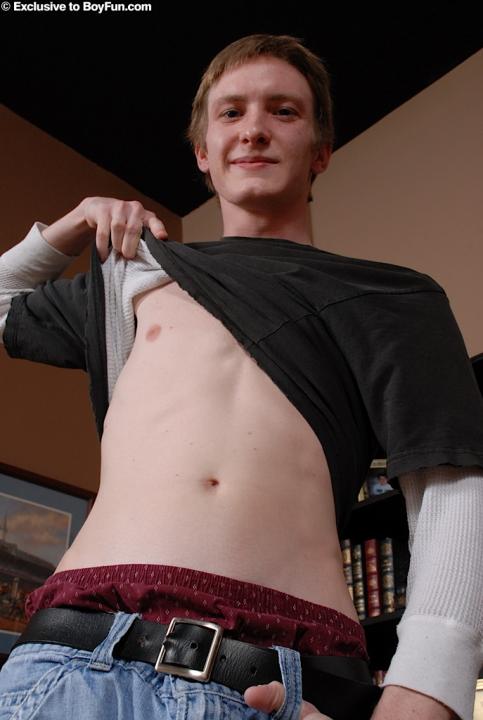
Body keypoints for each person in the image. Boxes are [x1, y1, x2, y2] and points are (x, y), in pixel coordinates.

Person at [0, 33, 482, 720]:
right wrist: (72, 227)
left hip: (285, 681)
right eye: (231, 112)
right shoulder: (133, 281)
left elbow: (452, 487)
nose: (253, 129)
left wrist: (425, 692)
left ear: (320, 150)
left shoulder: (393, 299)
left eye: (283, 111)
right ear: (203, 151)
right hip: (74, 665)